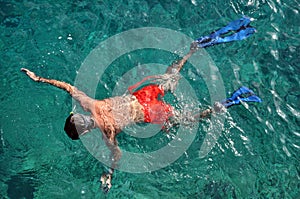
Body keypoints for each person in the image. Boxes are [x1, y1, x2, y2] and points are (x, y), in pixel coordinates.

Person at [21, 16, 261, 193]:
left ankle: (226, 104)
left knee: (188, 118)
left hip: (149, 111)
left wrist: (109, 174)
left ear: (85, 131)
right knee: (170, 78)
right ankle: (193, 50)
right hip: (141, 96)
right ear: (78, 117)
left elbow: (116, 155)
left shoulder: (108, 132)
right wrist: (40, 79)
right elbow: (68, 87)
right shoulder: (90, 104)